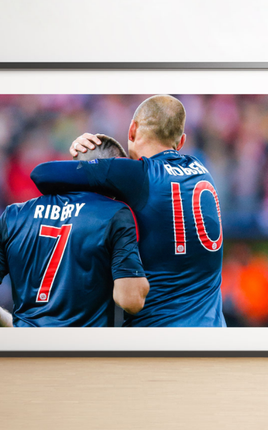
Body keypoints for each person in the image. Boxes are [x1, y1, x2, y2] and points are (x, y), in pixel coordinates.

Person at [31, 95, 226, 327]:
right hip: (212, 329)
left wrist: (81, 152)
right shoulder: (201, 170)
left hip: (159, 332)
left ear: (132, 129)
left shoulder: (136, 174)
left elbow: (41, 174)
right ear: (181, 141)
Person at [0, 135, 149, 327]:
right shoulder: (114, 214)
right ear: (113, 173)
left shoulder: (13, 214)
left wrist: (11, 326)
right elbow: (131, 301)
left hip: (27, 343)